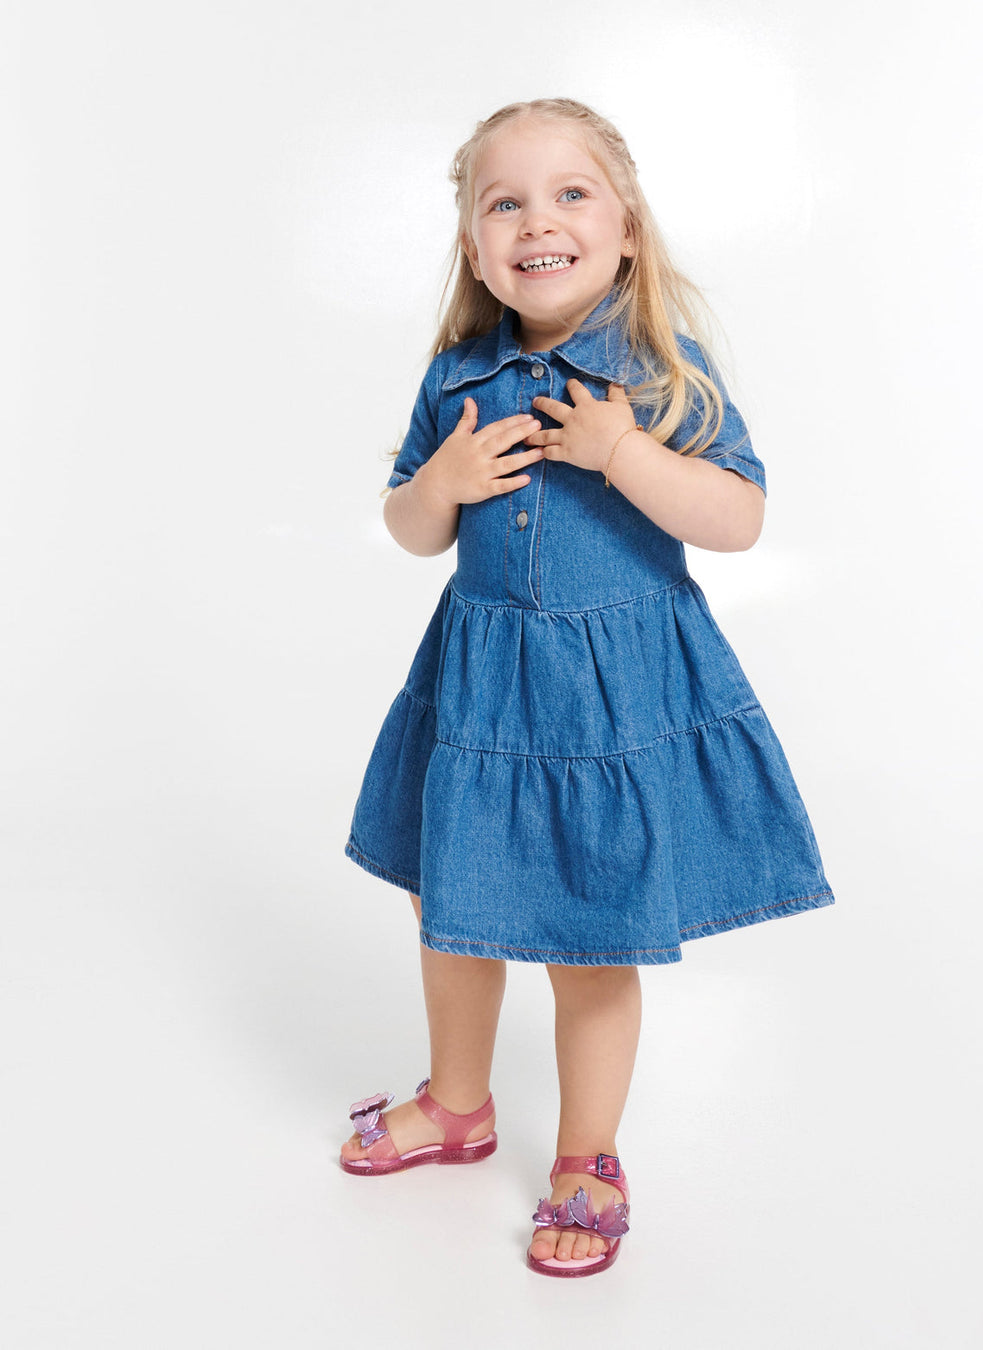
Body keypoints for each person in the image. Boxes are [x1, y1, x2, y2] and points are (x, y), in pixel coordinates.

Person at [341, 98, 834, 1277]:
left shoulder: (658, 374)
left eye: (571, 194)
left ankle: (587, 1154)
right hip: (482, 690)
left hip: (605, 702)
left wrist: (624, 452)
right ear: (474, 249)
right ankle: (458, 1102)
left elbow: (739, 517)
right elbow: (409, 528)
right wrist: (443, 483)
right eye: (504, 203)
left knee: (592, 932)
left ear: (626, 230)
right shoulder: (459, 377)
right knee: (446, 901)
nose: (537, 221)